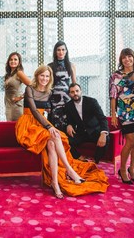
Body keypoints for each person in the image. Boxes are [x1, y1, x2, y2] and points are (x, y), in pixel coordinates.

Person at [15, 65, 109, 199]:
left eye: (47, 76)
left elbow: (49, 109)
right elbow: (35, 112)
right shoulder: (29, 89)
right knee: (55, 134)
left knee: (53, 143)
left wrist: (49, 115)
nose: (44, 78)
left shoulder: (49, 92)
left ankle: (54, 182)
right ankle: (70, 171)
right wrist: (49, 126)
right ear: (37, 76)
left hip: (41, 123)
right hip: (28, 125)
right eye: (42, 75)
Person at [109, 48, 134, 184]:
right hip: (124, 111)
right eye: (124, 57)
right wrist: (113, 114)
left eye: (129, 56)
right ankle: (123, 169)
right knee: (130, 141)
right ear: (121, 60)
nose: (127, 59)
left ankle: (132, 169)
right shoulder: (116, 76)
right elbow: (113, 96)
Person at [65, 83, 110, 164]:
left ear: (81, 91)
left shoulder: (91, 102)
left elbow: (102, 118)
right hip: (81, 132)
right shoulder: (68, 106)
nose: (75, 93)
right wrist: (69, 125)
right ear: (69, 94)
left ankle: (96, 161)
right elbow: (70, 120)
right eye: (72, 92)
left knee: (106, 139)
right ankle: (79, 157)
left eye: (77, 91)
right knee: (65, 140)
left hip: (94, 130)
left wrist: (103, 134)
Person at [48, 41, 76, 132]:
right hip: (54, 98)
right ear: (55, 52)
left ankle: (67, 144)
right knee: (54, 122)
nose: (61, 52)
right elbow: (48, 85)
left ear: (66, 51)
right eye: (58, 50)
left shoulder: (71, 66)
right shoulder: (50, 66)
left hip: (67, 98)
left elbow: (74, 84)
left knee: (68, 121)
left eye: (63, 49)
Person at [4, 52, 31, 121]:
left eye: (15, 59)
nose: (13, 61)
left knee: (18, 128)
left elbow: (32, 86)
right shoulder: (8, 75)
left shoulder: (19, 73)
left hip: (17, 106)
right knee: (9, 128)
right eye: (11, 59)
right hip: (8, 105)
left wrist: (20, 97)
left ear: (19, 62)